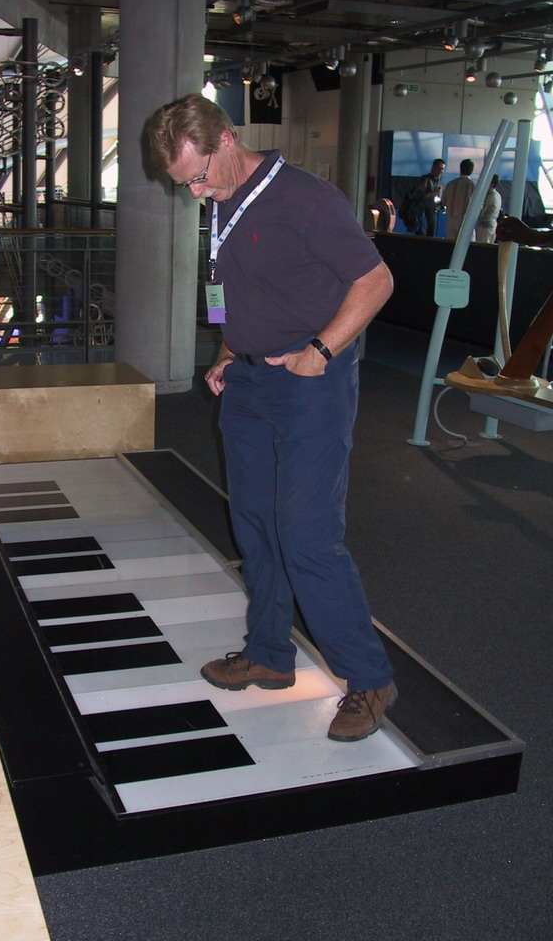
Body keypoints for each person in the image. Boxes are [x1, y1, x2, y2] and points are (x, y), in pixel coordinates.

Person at [145, 93, 396, 743]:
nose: (197, 192)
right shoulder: (223, 205)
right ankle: (269, 654)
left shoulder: (306, 199)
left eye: (199, 176)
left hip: (310, 382)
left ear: (227, 141)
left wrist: (320, 352)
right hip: (251, 381)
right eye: (186, 185)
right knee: (254, 524)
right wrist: (228, 349)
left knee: (306, 534)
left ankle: (369, 680)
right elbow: (226, 286)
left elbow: (375, 281)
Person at [407, 158, 445, 236]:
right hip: (422, 212)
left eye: (442, 169)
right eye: (438, 168)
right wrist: (433, 193)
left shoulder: (440, 183)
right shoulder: (425, 180)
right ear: (433, 168)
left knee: (431, 235)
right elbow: (417, 195)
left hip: (433, 212)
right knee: (421, 234)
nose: (440, 171)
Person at [442, 159, 476, 241]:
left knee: (451, 247)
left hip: (451, 220)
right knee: (467, 247)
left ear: (460, 169)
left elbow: (443, 203)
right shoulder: (473, 185)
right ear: (472, 170)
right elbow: (478, 205)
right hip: (466, 221)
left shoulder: (450, 184)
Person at [476, 175, 501, 244]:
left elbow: (481, 213)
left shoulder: (490, 197)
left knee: (482, 247)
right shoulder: (498, 195)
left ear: (492, 184)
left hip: (485, 227)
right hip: (492, 225)